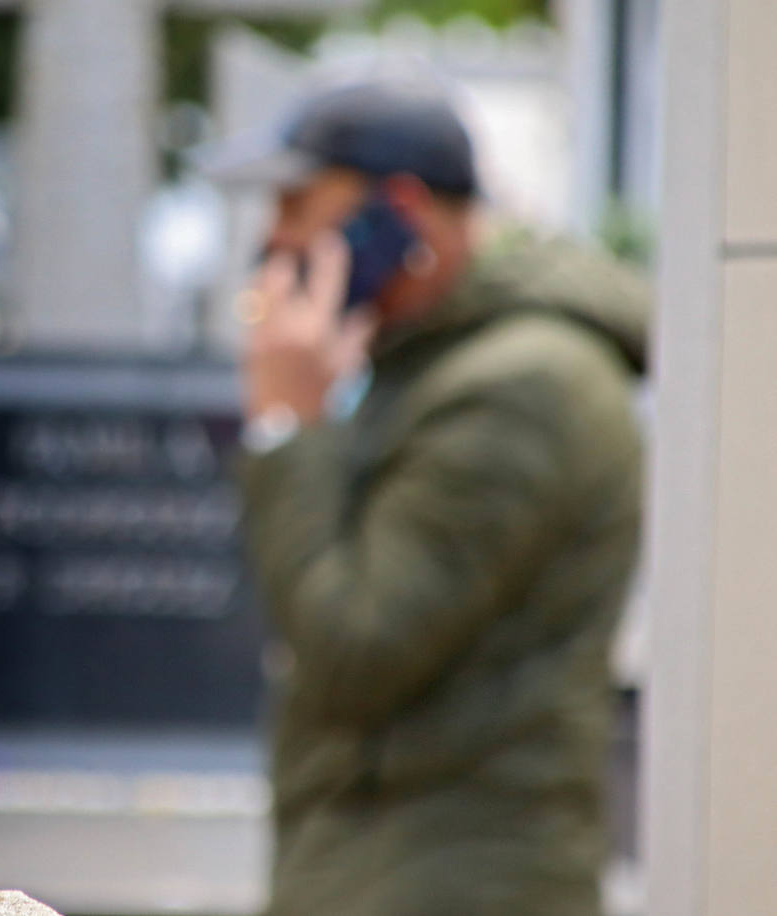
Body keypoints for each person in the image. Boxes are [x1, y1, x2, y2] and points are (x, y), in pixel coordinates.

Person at [206, 80, 649, 915]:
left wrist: (286, 428)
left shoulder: (523, 387)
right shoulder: (434, 362)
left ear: (402, 209)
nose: (277, 236)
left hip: (450, 875)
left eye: (302, 204)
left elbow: (355, 649)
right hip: (401, 863)